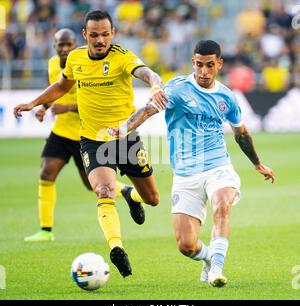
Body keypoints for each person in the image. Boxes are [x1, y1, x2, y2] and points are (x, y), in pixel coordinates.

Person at [14, 10, 168, 278]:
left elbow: (147, 73)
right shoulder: (75, 58)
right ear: (85, 35)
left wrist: (156, 85)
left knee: (152, 199)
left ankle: (131, 195)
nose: (100, 40)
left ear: (113, 34)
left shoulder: (122, 56)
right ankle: (117, 247)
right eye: (94, 35)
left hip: (125, 137)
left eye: (105, 34)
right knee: (103, 191)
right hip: (93, 140)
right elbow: (62, 86)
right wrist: (33, 103)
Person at [108, 40, 275, 287]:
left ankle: (217, 269)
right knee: (186, 246)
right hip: (185, 175)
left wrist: (257, 163)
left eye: (209, 65)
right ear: (193, 63)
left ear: (219, 64)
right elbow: (148, 110)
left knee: (222, 205)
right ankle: (209, 259)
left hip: (218, 167)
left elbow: (240, 133)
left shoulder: (226, 96)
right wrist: (123, 129)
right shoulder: (176, 89)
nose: (204, 72)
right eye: (199, 65)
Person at [24, 28, 143, 243]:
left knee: (92, 186)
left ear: (76, 43)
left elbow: (92, 102)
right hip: (60, 132)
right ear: (55, 46)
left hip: (85, 134)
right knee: (46, 173)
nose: (65, 48)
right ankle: (45, 230)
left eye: (69, 44)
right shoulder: (53, 65)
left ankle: (125, 191)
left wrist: (67, 107)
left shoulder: (85, 63)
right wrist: (44, 106)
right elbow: (58, 89)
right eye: (61, 45)